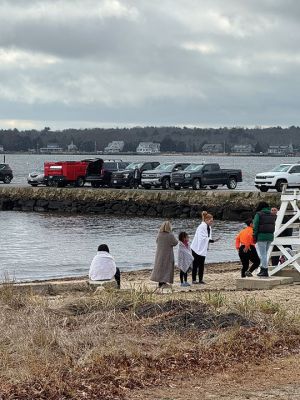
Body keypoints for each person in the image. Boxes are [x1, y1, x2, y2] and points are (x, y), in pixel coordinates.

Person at [191, 211, 216, 284]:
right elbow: (201, 237)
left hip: (203, 248)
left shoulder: (209, 227)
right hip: (196, 248)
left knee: (201, 264)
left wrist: (211, 240)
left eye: (212, 221)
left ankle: (200, 279)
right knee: (195, 264)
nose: (211, 222)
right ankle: (194, 280)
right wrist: (210, 240)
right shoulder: (201, 226)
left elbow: (208, 237)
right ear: (206, 220)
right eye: (210, 221)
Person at [151, 221, 178, 288]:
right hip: (167, 254)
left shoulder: (159, 234)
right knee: (167, 267)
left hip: (159, 254)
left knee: (160, 267)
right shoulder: (170, 235)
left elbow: (157, 241)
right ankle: (164, 282)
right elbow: (175, 243)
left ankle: (160, 283)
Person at [253, 201, 276, 278]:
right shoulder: (272, 214)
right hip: (270, 236)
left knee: (263, 254)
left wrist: (254, 236)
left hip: (261, 237)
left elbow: (255, 226)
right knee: (265, 254)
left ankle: (265, 270)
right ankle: (263, 269)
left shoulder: (258, 214)